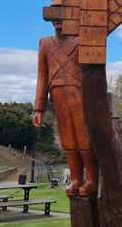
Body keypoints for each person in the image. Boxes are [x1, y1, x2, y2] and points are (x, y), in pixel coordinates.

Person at [33, 19, 98, 197]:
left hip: (79, 94)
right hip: (58, 97)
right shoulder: (45, 44)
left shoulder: (81, 40)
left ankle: (92, 180)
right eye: (55, 21)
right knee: (68, 139)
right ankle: (76, 179)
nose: (57, 25)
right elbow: (42, 76)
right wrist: (39, 108)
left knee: (84, 138)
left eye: (61, 21)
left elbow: (93, 69)